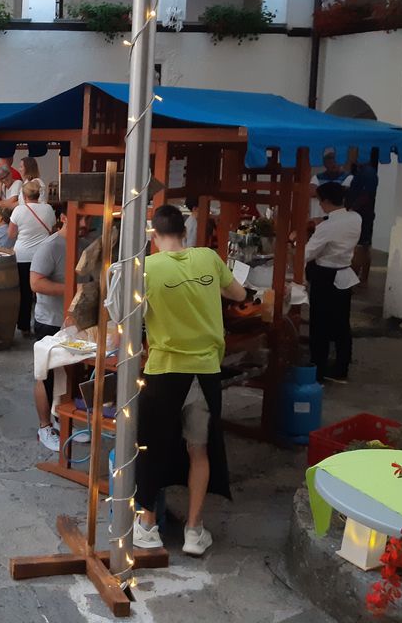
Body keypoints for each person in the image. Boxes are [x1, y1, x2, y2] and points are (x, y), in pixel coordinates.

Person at [133, 204, 246, 557]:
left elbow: (122, 313)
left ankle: (147, 526)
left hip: (164, 369)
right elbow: (240, 294)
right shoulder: (208, 258)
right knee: (199, 449)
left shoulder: (146, 268)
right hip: (206, 369)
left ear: (153, 236)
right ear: (185, 232)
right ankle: (194, 531)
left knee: (151, 447)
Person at [30, 207, 89, 450]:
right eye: (80, 217)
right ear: (63, 217)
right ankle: (44, 427)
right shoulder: (50, 247)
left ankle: (64, 421)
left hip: (75, 322)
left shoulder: (85, 243)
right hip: (50, 320)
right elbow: (35, 283)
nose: (85, 223)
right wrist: (74, 289)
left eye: (88, 218)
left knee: (71, 374)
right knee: (46, 375)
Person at [305, 181, 362, 384]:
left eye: (320, 201)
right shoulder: (355, 218)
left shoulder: (327, 227)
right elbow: (338, 220)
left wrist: (296, 241)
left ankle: (318, 369)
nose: (320, 205)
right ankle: (341, 367)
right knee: (341, 325)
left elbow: (307, 253)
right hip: (344, 274)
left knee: (319, 325)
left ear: (327, 201)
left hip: (325, 276)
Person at [8, 181, 57, 336]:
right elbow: (53, 230)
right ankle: (43, 323)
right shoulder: (48, 209)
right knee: (43, 291)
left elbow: (11, 234)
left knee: (24, 292)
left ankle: (24, 326)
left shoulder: (18, 210)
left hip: (22, 256)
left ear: (24, 195)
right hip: (43, 254)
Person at [347, 150, 379, 286]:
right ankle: (362, 279)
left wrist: (352, 208)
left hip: (362, 215)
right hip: (362, 213)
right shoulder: (362, 172)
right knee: (364, 247)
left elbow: (367, 194)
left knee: (359, 247)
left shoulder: (368, 172)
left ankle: (354, 280)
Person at [310, 151, 353, 221]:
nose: (334, 164)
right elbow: (312, 192)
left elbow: (346, 194)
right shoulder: (317, 177)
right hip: (318, 218)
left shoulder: (350, 178)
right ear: (325, 164)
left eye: (336, 162)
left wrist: (323, 191)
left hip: (339, 219)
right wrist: (336, 190)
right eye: (330, 162)